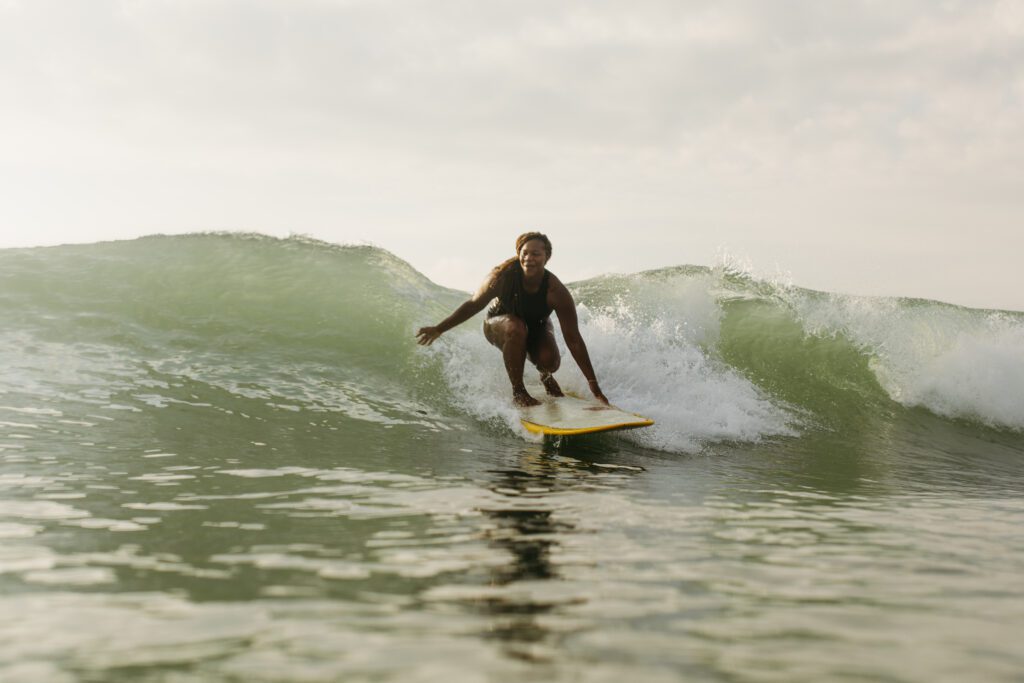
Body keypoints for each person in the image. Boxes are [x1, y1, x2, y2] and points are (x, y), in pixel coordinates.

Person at [416, 232, 609, 407]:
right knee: (516, 328)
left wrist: (593, 385)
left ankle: (545, 375)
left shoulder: (555, 291)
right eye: (525, 253)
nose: (529, 259)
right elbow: (473, 305)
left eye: (536, 254)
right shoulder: (501, 277)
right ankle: (519, 392)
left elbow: (573, 338)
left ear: (547, 257)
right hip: (498, 324)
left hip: (536, 326)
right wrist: (439, 328)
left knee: (549, 361)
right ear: (519, 254)